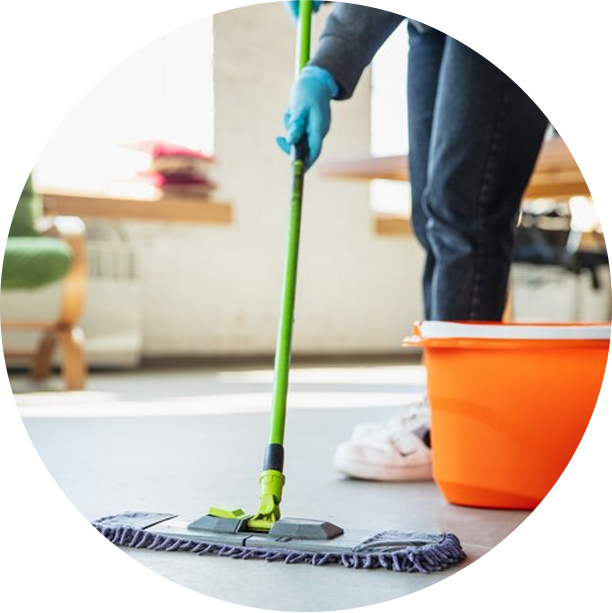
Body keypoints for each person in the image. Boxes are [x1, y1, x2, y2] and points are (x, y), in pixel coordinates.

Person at [279, 0, 584, 481]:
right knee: (429, 207)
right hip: (434, 12)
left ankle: (457, 417)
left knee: (465, 206)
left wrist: (327, 65)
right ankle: (441, 397)